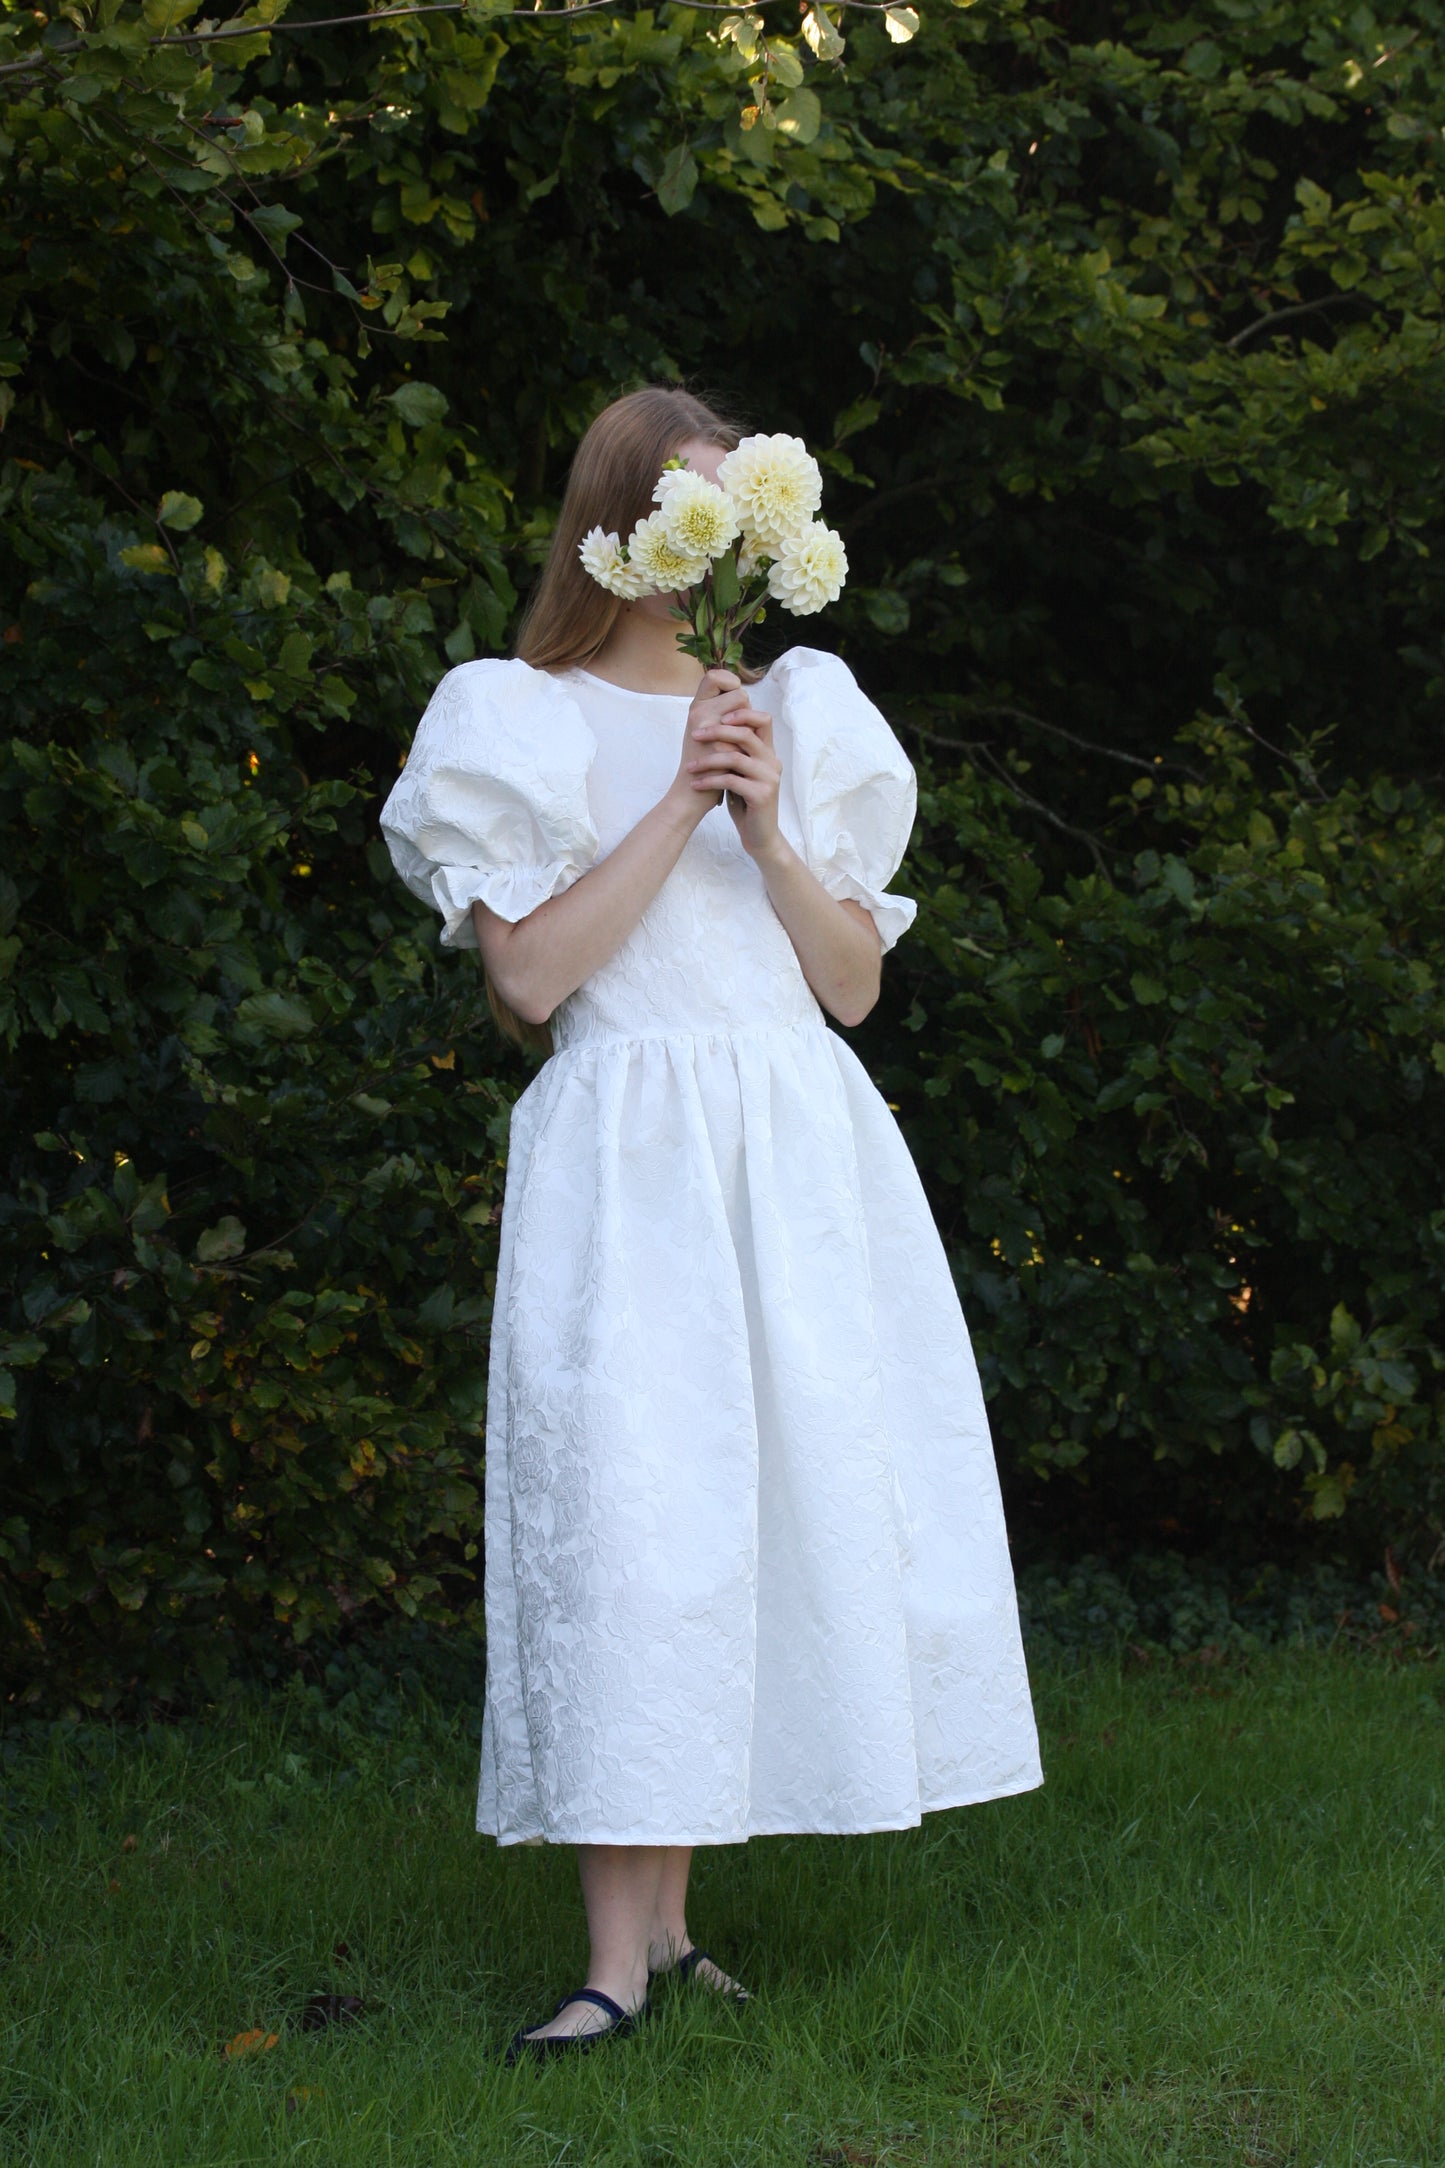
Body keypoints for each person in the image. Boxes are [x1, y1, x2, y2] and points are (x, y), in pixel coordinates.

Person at [380, 385, 1043, 2063]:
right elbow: (529, 982)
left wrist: (758, 813)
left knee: (747, 1522)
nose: (709, 551)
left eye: (731, 517)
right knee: (632, 1517)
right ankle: (612, 1960)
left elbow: (848, 987)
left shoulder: (794, 709)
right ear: (612, 524)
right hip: (629, 1165)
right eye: (680, 514)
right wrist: (673, 803)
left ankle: (671, 1934)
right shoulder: (511, 715)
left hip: (795, 1160)